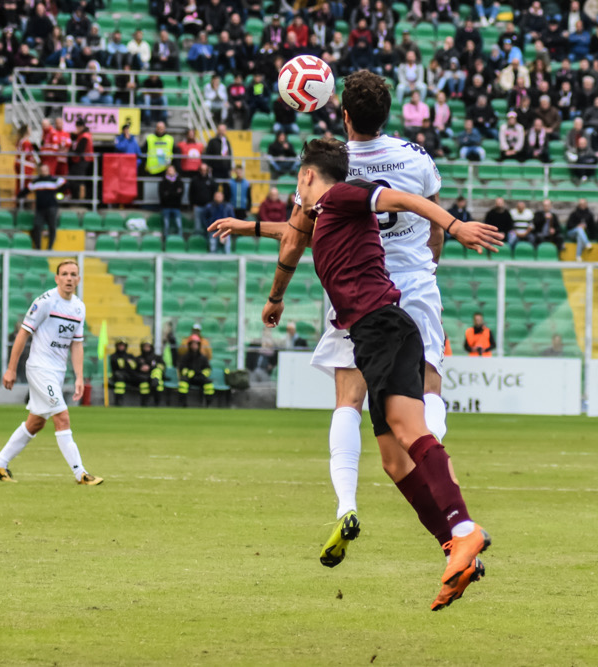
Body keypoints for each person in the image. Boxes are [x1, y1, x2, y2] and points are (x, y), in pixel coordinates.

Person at [207, 71, 499, 595]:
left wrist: (275, 294)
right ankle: (453, 540)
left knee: (369, 410)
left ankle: (442, 519)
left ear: (342, 114)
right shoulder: (413, 158)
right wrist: (441, 244)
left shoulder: (337, 177)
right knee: (399, 444)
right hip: (405, 292)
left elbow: (300, 236)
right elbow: (413, 219)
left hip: (377, 310)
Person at [262, 137, 497, 610]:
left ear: (308, 175)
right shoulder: (328, 212)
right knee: (393, 460)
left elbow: (403, 198)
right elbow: (291, 233)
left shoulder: (341, 195)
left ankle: (465, 529)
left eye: (297, 182)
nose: (297, 195)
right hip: (374, 339)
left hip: (385, 328)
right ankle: (454, 547)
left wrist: (456, 226)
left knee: (412, 432)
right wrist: (249, 228)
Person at [0, 259, 102, 486]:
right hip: (40, 368)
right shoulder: (46, 302)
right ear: (57, 278)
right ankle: (81, 474)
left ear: (78, 279)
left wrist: (79, 376)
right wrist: (11, 369)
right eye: (65, 274)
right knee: (62, 417)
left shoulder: (79, 307)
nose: (69, 278)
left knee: (36, 423)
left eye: (73, 274)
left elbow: (76, 344)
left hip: (57, 372)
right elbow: (23, 333)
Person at [20, 163, 65, 250]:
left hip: (52, 207)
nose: (44, 172)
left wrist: (58, 192)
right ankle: (38, 247)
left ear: (48, 170)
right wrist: (18, 196)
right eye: (42, 170)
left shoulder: (54, 180)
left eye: (45, 170)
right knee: (37, 226)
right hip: (40, 208)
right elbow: (26, 190)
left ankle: (50, 247)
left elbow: (65, 184)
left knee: (52, 227)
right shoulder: (36, 182)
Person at [177, 336, 215, 407]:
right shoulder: (185, 357)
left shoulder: (203, 358)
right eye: (193, 344)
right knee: (183, 382)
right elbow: (182, 368)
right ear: (189, 345)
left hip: (200, 378)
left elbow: (207, 368)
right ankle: (183, 404)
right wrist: (189, 373)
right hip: (189, 378)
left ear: (199, 345)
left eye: (196, 344)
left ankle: (209, 404)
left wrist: (202, 375)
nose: (194, 346)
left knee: (208, 383)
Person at [109, 339, 141, 406]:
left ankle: (145, 403)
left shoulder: (130, 356)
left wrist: (126, 362)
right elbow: (119, 366)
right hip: (118, 376)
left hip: (130, 375)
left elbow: (134, 366)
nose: (121, 347)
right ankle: (118, 401)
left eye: (123, 346)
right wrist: (127, 362)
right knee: (119, 377)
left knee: (143, 378)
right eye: (120, 346)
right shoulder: (114, 356)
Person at [136, 340, 166, 406]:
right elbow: (134, 368)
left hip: (154, 377)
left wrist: (150, 367)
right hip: (143, 377)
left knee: (158, 381)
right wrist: (140, 368)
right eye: (145, 346)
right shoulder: (139, 358)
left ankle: (157, 403)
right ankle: (144, 404)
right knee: (144, 384)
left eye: (148, 346)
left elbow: (162, 367)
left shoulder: (157, 357)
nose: (146, 348)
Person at [159, 164, 185, 236]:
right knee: (166, 226)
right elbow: (162, 195)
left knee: (179, 226)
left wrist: (169, 193)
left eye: (172, 170)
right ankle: (166, 242)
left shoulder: (179, 181)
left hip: (176, 206)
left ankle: (180, 240)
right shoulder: (163, 182)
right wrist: (174, 193)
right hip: (166, 206)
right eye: (169, 170)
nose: (170, 172)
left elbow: (180, 194)